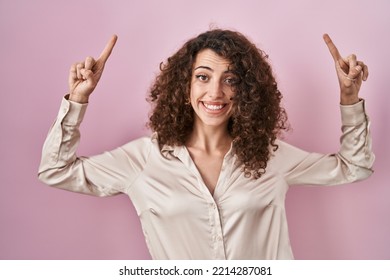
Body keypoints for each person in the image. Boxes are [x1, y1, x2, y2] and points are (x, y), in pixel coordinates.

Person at [38, 29, 374, 259]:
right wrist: (78, 100)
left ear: (247, 91)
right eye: (203, 77)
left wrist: (349, 97)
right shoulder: (142, 159)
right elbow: (55, 170)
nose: (215, 92)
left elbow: (354, 168)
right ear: (184, 86)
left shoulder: (271, 157)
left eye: (231, 80)